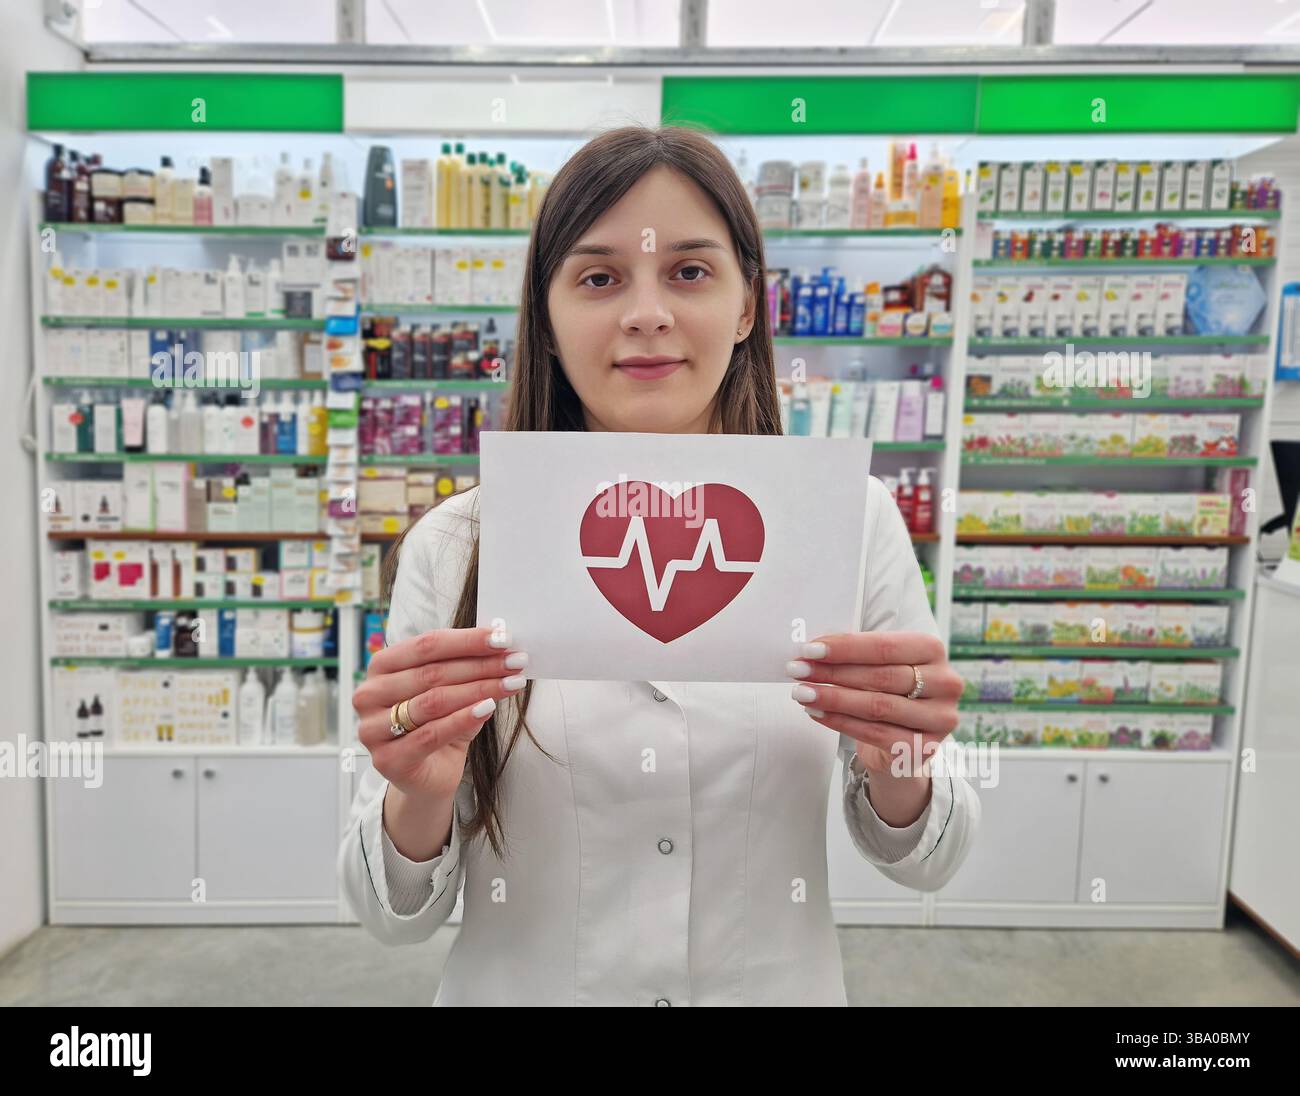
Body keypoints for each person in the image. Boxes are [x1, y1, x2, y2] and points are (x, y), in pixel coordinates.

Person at [338, 124, 980, 1006]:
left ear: (748, 304)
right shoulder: (454, 542)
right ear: (549, 317)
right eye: (599, 277)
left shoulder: (848, 521)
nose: (647, 313)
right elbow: (392, 913)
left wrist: (899, 760)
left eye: (689, 271)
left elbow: (931, 861)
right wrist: (418, 795)